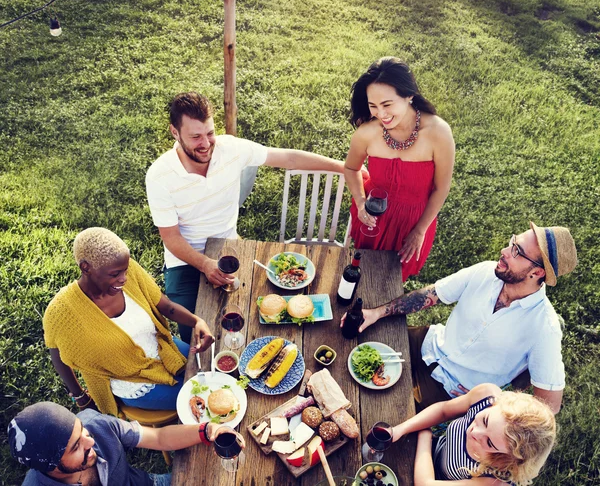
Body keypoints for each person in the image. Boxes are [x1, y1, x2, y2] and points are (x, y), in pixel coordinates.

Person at [146, 91, 348, 342]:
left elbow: (289, 157)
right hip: (184, 259)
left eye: (210, 133)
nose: (206, 144)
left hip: (228, 244)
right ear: (175, 133)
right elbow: (171, 238)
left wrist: (345, 167)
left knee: (252, 313)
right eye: (195, 137)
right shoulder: (159, 176)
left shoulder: (230, 149)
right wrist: (205, 264)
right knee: (194, 331)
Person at [342, 223, 577, 414]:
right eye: (512, 242)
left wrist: (495, 400)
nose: (505, 251)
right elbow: (431, 295)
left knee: (375, 413)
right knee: (350, 349)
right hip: (426, 344)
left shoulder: (544, 328)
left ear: (536, 273)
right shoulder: (486, 271)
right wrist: (376, 313)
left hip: (449, 393)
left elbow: (549, 406)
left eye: (517, 251)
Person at [43, 227, 214, 417]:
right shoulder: (62, 311)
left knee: (213, 375)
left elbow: (165, 306)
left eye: (125, 270)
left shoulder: (128, 270)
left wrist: (196, 321)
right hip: (133, 381)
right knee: (203, 400)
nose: (124, 278)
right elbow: (57, 354)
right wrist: (80, 397)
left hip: (164, 349)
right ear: (86, 268)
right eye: (115, 274)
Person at [344, 57, 455, 281]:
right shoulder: (366, 133)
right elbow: (351, 168)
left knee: (392, 280)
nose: (380, 114)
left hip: (413, 222)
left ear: (409, 95)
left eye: (387, 104)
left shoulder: (438, 133)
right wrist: (360, 203)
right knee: (362, 269)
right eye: (372, 106)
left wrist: (420, 230)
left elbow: (441, 188)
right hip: (373, 216)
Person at [8, 401, 245, 485]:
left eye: (82, 432)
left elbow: (160, 437)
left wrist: (209, 429)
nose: (90, 441)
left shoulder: (96, 424)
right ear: (50, 466)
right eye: (75, 447)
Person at [390, 383, 556, 486]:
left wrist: (425, 435)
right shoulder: (486, 396)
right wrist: (401, 429)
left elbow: (426, 484)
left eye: (489, 443)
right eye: (485, 420)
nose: (474, 432)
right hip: (425, 450)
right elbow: (443, 410)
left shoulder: (496, 480)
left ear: (509, 458)